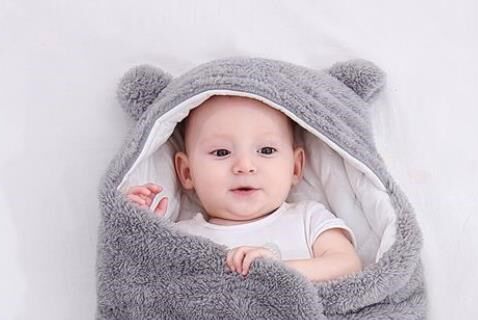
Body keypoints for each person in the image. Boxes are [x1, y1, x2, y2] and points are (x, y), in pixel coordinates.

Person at [124, 94, 363, 283]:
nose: (244, 166)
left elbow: (348, 264)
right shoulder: (182, 236)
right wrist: (141, 230)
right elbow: (147, 285)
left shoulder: (307, 218)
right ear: (187, 172)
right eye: (221, 152)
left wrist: (280, 271)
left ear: (295, 167)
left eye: (266, 150)